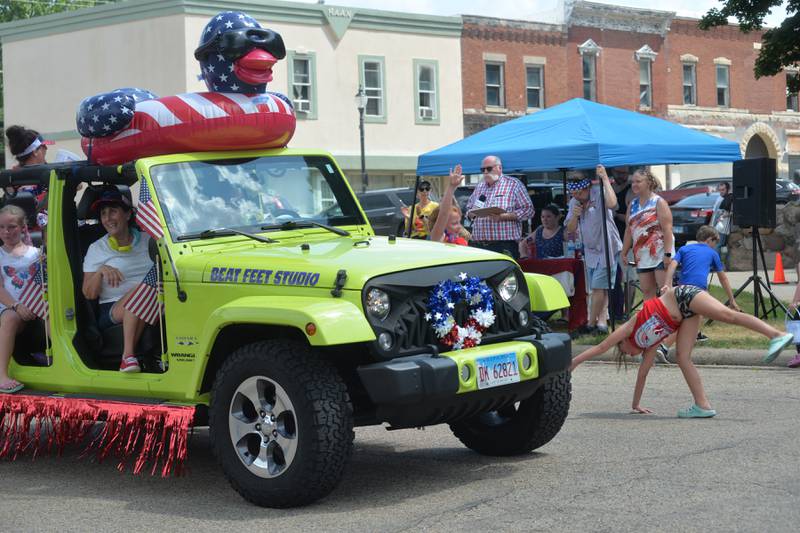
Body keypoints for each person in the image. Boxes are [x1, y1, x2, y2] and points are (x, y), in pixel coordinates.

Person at [571, 285, 794, 417]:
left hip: (683, 296)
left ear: (624, 342)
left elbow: (601, 347)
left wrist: (573, 363)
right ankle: (702, 405)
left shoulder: (631, 328)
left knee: (728, 315)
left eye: (626, 352)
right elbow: (643, 374)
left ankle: (776, 335)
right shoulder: (649, 346)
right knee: (682, 357)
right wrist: (635, 404)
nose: (630, 354)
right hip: (686, 314)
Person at [82, 189, 153, 373]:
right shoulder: (97, 248)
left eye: (113, 211)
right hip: (112, 309)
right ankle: (127, 356)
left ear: (128, 214)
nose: (107, 218)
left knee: (151, 291)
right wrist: (100, 272)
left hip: (154, 300)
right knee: (144, 290)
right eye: (103, 214)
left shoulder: (149, 241)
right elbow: (88, 293)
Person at [565, 166, 621, 335]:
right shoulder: (575, 202)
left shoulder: (599, 192)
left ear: (587, 187)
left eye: (579, 193)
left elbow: (613, 204)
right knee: (600, 289)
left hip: (607, 247)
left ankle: (589, 324)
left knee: (597, 287)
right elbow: (570, 228)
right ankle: (602, 323)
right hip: (590, 250)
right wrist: (575, 215)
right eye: (573, 194)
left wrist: (604, 178)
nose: (576, 197)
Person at [662, 225, 740, 345]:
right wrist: (731, 299)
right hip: (698, 290)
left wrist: (667, 284)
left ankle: (695, 334)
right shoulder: (712, 253)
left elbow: (672, 265)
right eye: (715, 242)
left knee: (689, 315)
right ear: (709, 240)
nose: (715, 245)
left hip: (681, 289)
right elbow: (723, 278)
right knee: (694, 315)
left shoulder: (684, 249)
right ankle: (665, 345)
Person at [0, 205, 43, 393]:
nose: (5, 232)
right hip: (8, 308)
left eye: (11, 227)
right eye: (1, 227)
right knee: (10, 318)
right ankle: (2, 374)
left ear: (23, 227)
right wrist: (17, 306)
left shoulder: (37, 254)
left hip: (35, 307)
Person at [620, 166, 674, 302]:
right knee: (647, 291)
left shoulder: (659, 202)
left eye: (638, 181)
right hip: (642, 255)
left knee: (665, 291)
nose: (634, 185)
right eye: (632, 182)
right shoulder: (632, 204)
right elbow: (629, 230)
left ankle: (670, 321)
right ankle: (650, 321)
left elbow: (667, 230)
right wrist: (624, 252)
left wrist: (667, 255)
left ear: (648, 183)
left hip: (660, 253)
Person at [465, 155, 534, 259]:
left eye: (489, 168)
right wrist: (470, 214)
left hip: (504, 245)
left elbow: (529, 210)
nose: (485, 172)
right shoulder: (479, 186)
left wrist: (504, 216)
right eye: (482, 169)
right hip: (479, 245)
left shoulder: (513, 185)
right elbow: (469, 208)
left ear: (499, 168)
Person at [4, 125, 53, 201]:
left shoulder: (13, 178)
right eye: (43, 146)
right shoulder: (23, 185)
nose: (46, 149)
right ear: (35, 152)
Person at [429, 164, 470, 246]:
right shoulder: (438, 238)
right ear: (442, 223)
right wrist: (451, 187)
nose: (459, 226)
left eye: (459, 222)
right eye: (455, 223)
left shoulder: (458, 238)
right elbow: (443, 214)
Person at [710, 181, 733, 255]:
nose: (721, 192)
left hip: (723, 227)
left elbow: (733, 212)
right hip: (716, 226)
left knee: (718, 245)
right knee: (716, 245)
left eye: (723, 190)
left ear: (728, 189)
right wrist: (711, 225)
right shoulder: (720, 198)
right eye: (720, 190)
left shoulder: (730, 197)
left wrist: (724, 216)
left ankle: (717, 265)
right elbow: (714, 213)